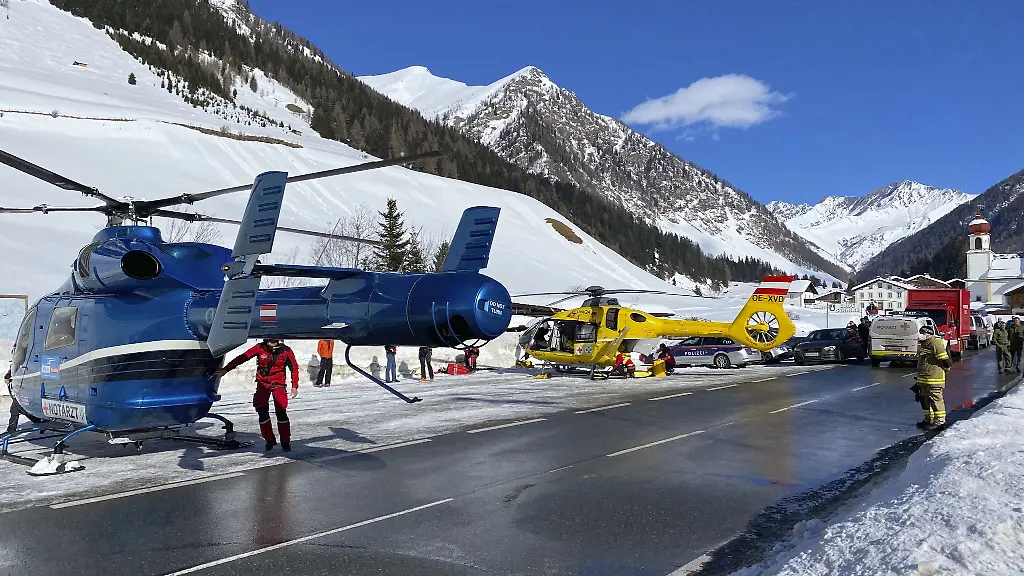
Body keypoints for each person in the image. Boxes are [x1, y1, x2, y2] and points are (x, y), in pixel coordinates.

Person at [214, 338, 299, 452]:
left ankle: (285, 441)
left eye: (274, 340)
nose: (271, 342)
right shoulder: (259, 348)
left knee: (281, 412)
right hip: (262, 384)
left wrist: (294, 386)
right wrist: (226, 369)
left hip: (278, 384)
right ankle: (269, 439)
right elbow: (242, 358)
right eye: (269, 340)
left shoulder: (286, 351)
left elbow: (294, 367)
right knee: (261, 411)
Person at [912, 324, 951, 430]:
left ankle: (940, 422)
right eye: (920, 333)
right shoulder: (923, 344)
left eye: (923, 333)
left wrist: (946, 369)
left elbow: (945, 361)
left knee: (935, 400)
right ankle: (928, 420)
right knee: (924, 400)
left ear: (929, 334)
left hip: (934, 378)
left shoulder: (935, 342)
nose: (920, 335)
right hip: (924, 378)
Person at [5, 368, 44, 435]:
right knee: (17, 407)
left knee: (20, 406)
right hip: (23, 386)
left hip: (32, 386)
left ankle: (39, 421)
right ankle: (11, 429)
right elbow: (16, 366)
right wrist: (8, 375)